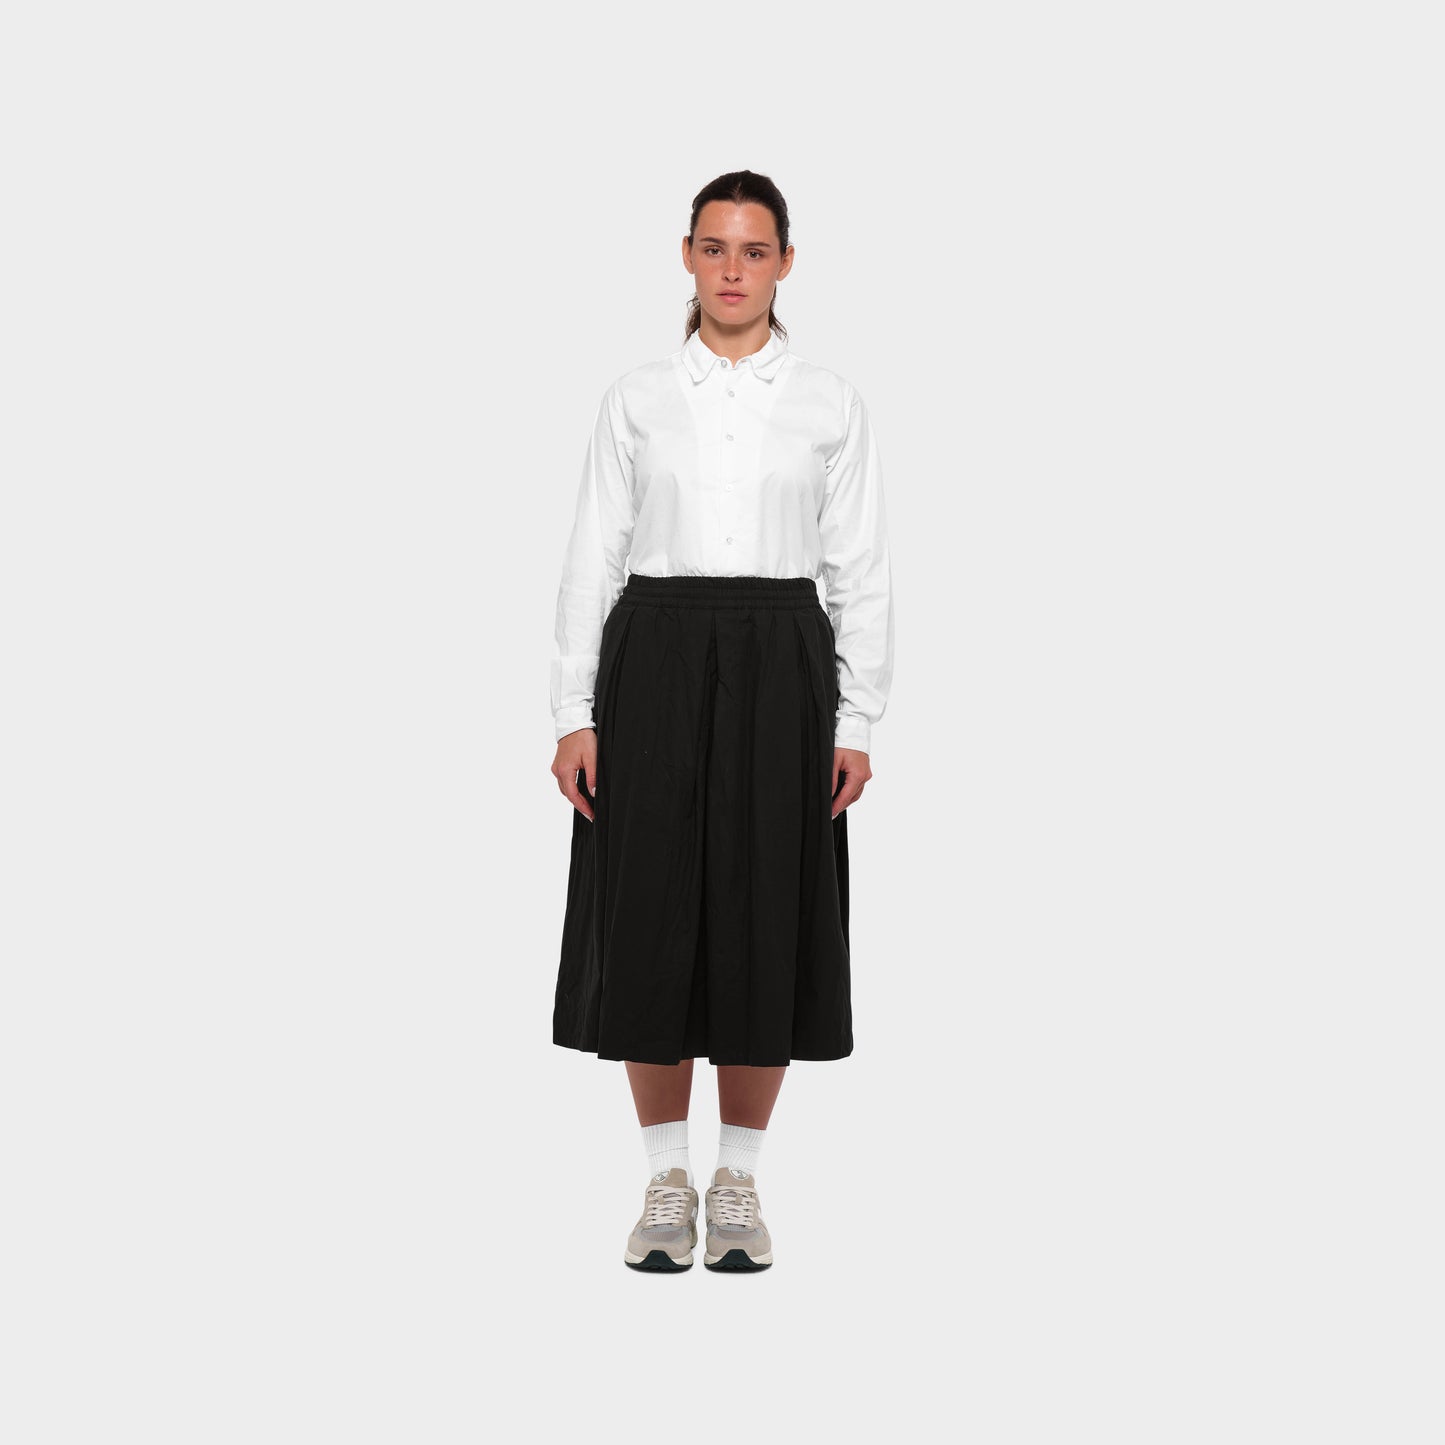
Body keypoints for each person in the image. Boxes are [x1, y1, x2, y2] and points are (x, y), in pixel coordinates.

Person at [548, 169, 895, 1272]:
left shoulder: (829, 401)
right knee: (648, 905)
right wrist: (572, 710)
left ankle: (736, 1177)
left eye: (753, 250)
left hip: (782, 658)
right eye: (713, 248)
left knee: (764, 909)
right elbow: (592, 552)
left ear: (785, 262)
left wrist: (856, 717)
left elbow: (860, 568)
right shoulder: (637, 397)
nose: (732, 270)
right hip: (652, 651)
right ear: (687, 256)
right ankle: (664, 1176)